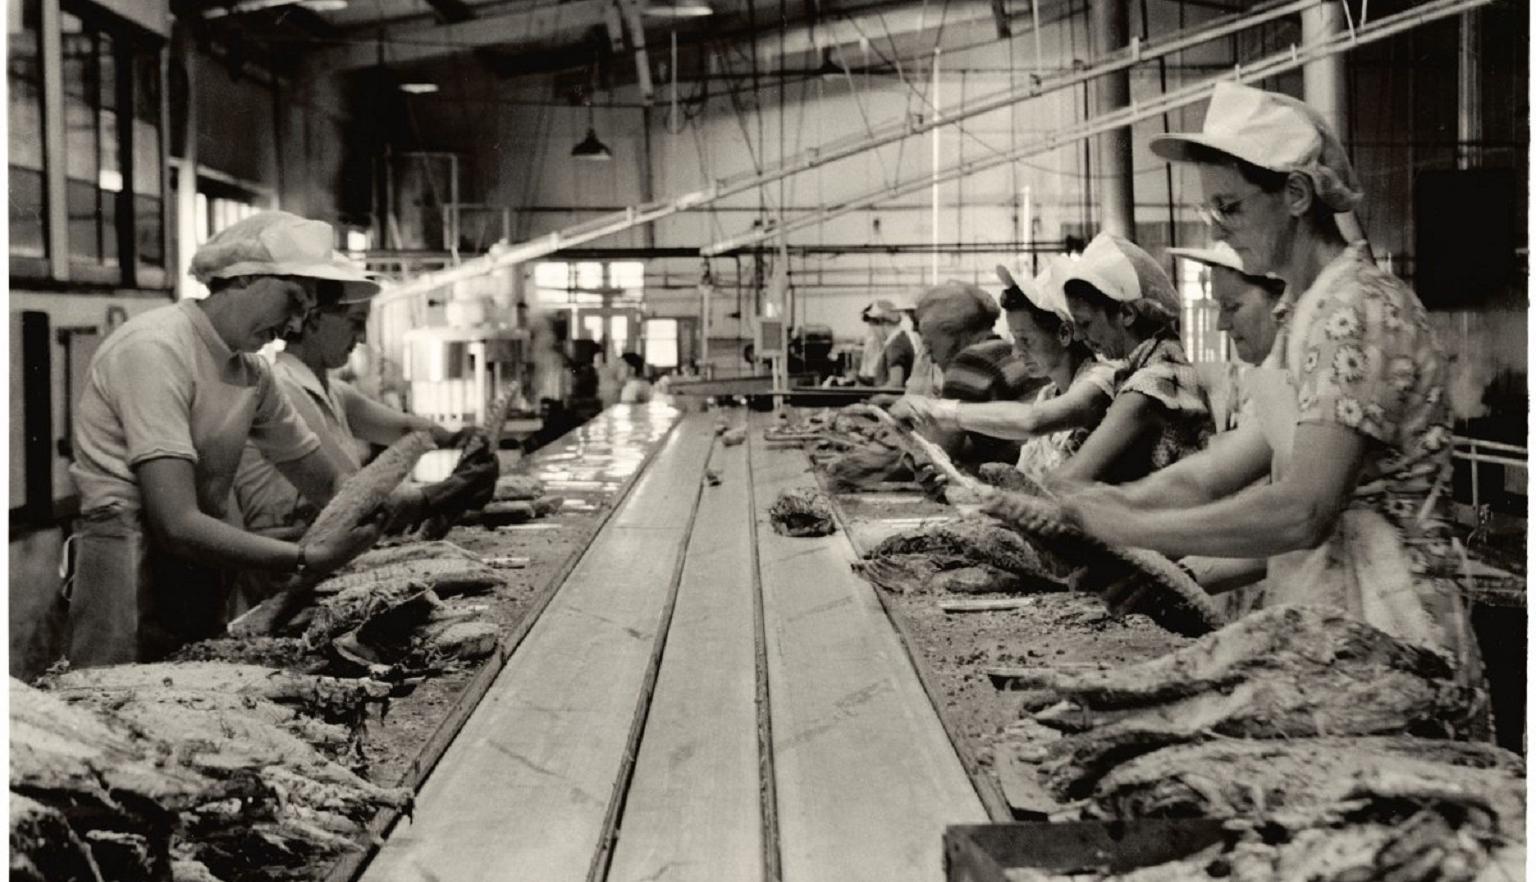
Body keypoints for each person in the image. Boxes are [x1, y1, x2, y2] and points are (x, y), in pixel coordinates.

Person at [1059, 83, 1484, 688]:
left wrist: (1131, 529)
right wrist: (1091, 506)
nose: (1221, 228)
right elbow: (1210, 472)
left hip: (1393, 636)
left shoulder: (1358, 310)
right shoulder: (1305, 317)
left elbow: (1302, 509)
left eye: (1229, 208)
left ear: (1295, 194)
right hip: (1329, 619)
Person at [64, 211, 385, 666]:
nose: (294, 326)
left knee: (200, 703)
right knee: (124, 708)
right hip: (129, 567)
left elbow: (327, 482)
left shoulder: (250, 372)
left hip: (200, 569)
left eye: (307, 311)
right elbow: (175, 521)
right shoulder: (156, 349)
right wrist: (302, 558)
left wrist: (382, 504)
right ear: (244, 277)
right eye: (293, 301)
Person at [232, 285, 499, 545]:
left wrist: (462, 439)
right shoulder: (281, 389)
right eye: (356, 323)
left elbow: (407, 429)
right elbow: (349, 497)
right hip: (284, 557)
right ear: (312, 319)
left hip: (322, 546)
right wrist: (448, 492)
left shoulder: (334, 391)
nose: (362, 338)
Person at [892, 259, 1117, 482]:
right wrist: (960, 485)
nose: (1017, 353)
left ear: (1065, 334)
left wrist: (937, 409)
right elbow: (1027, 482)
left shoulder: (1102, 379)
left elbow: (1032, 421)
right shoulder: (1047, 395)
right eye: (1015, 340)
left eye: (1026, 340)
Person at [1051, 231, 1213, 485]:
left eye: (1085, 323)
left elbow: (1076, 474)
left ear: (1126, 313)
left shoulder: (1157, 379)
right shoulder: (1137, 370)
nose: (1080, 336)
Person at [889, 280, 1041, 470]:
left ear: (952, 334)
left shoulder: (970, 362)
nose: (929, 356)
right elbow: (977, 443)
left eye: (929, 345)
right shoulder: (1003, 352)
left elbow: (936, 456)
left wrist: (910, 404)